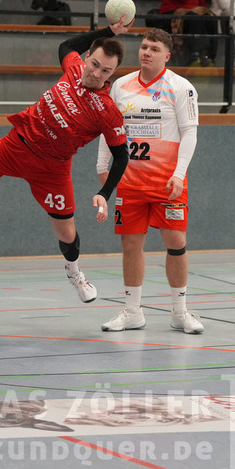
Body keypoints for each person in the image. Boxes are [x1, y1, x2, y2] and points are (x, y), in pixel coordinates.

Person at [0, 20, 133, 303]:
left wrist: (105, 192)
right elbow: (66, 45)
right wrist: (108, 32)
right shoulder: (73, 67)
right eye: (95, 64)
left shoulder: (107, 110)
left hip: (52, 170)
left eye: (106, 71)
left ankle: (74, 272)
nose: (96, 73)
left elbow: (121, 155)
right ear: (88, 57)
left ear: (112, 74)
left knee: (67, 232)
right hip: (15, 146)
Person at [97, 28, 204, 335]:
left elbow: (190, 133)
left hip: (167, 182)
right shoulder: (121, 86)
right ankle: (132, 312)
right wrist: (102, 166)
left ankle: (179, 313)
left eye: (154, 49)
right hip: (130, 182)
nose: (146, 52)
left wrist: (179, 174)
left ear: (166, 56)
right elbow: (110, 129)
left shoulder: (181, 88)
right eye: (144, 46)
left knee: (176, 243)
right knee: (131, 245)